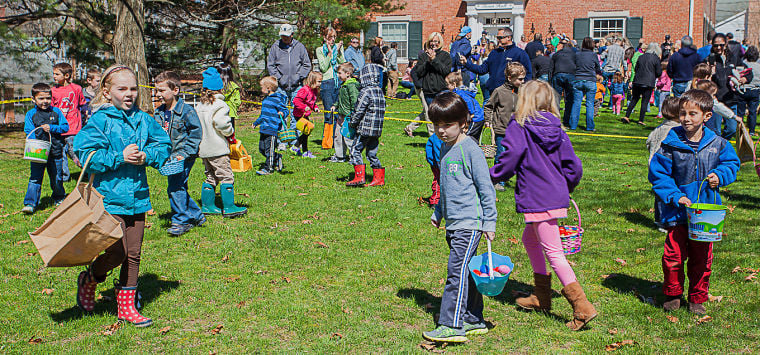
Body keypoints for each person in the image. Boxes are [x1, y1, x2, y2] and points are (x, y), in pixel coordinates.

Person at [490, 80, 596, 331]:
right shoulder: (557, 127)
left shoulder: (519, 125)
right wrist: (564, 186)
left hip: (538, 197)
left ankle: (582, 307)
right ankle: (541, 296)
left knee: (554, 253)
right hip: (553, 195)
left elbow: (511, 156)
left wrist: (493, 175)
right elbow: (574, 166)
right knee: (530, 239)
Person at [73, 64, 171, 327]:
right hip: (108, 198)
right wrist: (119, 157)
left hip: (138, 197)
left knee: (134, 253)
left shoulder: (143, 119)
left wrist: (146, 156)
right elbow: (84, 155)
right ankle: (91, 277)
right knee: (117, 252)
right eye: (122, 88)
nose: (129, 93)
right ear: (106, 92)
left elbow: (163, 144)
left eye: (133, 88)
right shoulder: (99, 121)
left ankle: (126, 307)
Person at [648, 89, 740, 315]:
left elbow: (732, 163)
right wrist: (675, 195)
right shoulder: (670, 144)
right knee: (673, 257)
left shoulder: (718, 144)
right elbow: (658, 175)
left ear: (707, 116)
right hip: (676, 211)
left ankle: (697, 297)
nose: (686, 118)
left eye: (692, 114)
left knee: (701, 258)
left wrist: (721, 175)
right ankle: (672, 294)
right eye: (682, 113)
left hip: (705, 213)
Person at [423, 92, 497, 343]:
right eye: (437, 125)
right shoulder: (445, 148)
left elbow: (486, 188)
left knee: (456, 273)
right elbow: (446, 186)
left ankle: (451, 324)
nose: (441, 131)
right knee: (466, 271)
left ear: (463, 123)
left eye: (448, 125)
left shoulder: (470, 149)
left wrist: (489, 222)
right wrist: (438, 212)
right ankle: (474, 319)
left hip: (470, 223)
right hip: (453, 223)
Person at [153, 71, 205, 236]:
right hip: (169, 158)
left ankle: (181, 221)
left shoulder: (186, 111)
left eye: (161, 90)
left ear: (175, 90)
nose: (157, 94)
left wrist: (186, 153)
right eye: (156, 90)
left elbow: (196, 133)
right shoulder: (159, 113)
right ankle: (197, 215)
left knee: (175, 187)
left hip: (184, 157)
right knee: (178, 186)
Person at [196, 67, 247, 218]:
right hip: (217, 148)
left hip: (204, 148)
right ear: (220, 87)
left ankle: (207, 205)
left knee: (210, 176)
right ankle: (229, 207)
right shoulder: (220, 105)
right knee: (226, 176)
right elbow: (222, 123)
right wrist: (230, 133)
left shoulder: (200, 105)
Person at [21, 83, 68, 214]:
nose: (45, 101)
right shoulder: (31, 114)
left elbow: (65, 127)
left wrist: (52, 128)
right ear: (33, 99)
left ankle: (59, 197)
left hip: (55, 151)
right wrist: (36, 135)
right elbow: (28, 130)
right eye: (41, 98)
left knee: (57, 177)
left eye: (48, 98)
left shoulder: (56, 112)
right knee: (35, 177)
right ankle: (30, 203)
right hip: (38, 152)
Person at [267, 23, 312, 146]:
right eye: (282, 36)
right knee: (281, 113)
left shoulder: (300, 47)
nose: (284, 38)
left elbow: (307, 64)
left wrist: (299, 76)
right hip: (281, 87)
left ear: (292, 35)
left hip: (297, 86)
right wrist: (279, 78)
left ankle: (294, 140)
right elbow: (271, 65)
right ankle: (282, 141)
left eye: (286, 36)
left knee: (295, 113)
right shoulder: (275, 47)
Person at [484, 62, 525, 191]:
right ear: (509, 78)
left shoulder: (523, 92)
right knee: (501, 155)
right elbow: (489, 106)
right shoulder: (499, 92)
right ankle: (498, 181)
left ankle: (521, 180)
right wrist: (488, 120)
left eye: (523, 79)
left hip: (518, 130)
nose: (522, 82)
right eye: (519, 79)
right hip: (502, 129)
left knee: (518, 155)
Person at [345, 63, 387, 187]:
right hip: (376, 129)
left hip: (365, 128)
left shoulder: (365, 91)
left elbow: (359, 110)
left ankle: (359, 177)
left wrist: (352, 123)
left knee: (355, 150)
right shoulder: (379, 91)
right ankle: (379, 178)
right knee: (372, 153)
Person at [462, 27, 533, 97]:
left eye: (500, 37)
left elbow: (528, 74)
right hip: (493, 92)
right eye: (497, 37)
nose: (498, 40)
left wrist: (521, 89)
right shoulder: (494, 53)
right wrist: (467, 63)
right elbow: (482, 69)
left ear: (509, 37)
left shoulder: (520, 53)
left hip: (510, 93)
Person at [405, 32, 451, 137]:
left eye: (436, 41)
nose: (433, 44)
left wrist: (434, 60)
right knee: (432, 115)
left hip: (442, 90)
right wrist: (428, 61)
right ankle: (434, 138)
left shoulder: (445, 56)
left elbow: (445, 71)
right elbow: (419, 72)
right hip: (428, 92)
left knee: (443, 115)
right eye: (431, 41)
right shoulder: (423, 56)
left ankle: (445, 135)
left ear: (440, 42)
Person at [708, 33, 747, 139]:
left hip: (731, 98)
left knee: (732, 129)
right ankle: (717, 149)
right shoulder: (710, 59)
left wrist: (744, 78)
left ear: (725, 44)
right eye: (715, 45)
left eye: (721, 44)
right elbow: (703, 80)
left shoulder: (733, 58)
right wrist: (710, 72)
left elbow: (746, 71)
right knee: (714, 130)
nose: (718, 47)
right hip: (716, 99)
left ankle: (721, 143)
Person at [51, 62, 86, 182]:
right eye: (53, 74)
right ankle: (64, 177)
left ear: (66, 76)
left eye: (57, 74)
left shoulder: (76, 89)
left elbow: (82, 105)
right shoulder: (52, 91)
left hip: (73, 128)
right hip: (59, 129)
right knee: (60, 154)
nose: (54, 76)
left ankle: (87, 169)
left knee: (74, 152)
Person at [253, 76, 288, 175]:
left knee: (269, 150)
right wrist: (256, 123)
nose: (261, 89)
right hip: (263, 128)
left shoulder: (277, 99)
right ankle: (277, 157)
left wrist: (282, 113)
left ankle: (269, 169)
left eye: (262, 87)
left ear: (268, 88)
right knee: (262, 149)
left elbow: (285, 110)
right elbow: (263, 115)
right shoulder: (265, 100)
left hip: (272, 129)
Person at [316, 27, 345, 141]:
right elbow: (323, 67)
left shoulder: (338, 48)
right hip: (327, 83)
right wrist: (330, 53)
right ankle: (328, 139)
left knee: (338, 111)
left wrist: (338, 52)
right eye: (330, 37)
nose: (332, 40)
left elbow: (343, 63)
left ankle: (337, 138)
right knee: (329, 112)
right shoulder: (320, 50)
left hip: (338, 81)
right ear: (324, 38)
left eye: (334, 37)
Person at [623, 43, 662, 125]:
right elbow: (659, 72)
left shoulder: (641, 56)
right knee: (645, 101)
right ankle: (641, 120)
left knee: (634, 99)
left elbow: (636, 68)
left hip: (637, 81)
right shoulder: (656, 58)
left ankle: (627, 116)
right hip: (648, 82)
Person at [570, 37, 601, 131]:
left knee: (576, 103)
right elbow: (598, 68)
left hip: (578, 79)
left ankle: (573, 125)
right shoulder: (593, 55)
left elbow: (573, 66)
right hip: (590, 80)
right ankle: (590, 126)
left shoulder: (577, 54)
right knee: (590, 104)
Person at [331, 63, 360, 162]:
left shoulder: (352, 85)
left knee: (348, 137)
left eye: (340, 73)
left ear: (348, 73)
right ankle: (340, 156)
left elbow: (354, 101)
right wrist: (335, 105)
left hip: (348, 117)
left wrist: (352, 115)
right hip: (340, 115)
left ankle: (353, 157)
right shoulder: (343, 85)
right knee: (337, 136)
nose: (338, 75)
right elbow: (340, 99)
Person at [446, 72, 484, 141]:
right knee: (472, 138)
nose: (446, 86)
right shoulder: (457, 93)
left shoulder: (461, 94)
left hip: (476, 119)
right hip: (471, 118)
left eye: (447, 84)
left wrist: (467, 119)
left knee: (466, 137)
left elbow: (471, 109)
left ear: (454, 84)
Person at [292, 71, 322, 158]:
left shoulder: (314, 90)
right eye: (318, 81)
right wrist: (304, 107)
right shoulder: (304, 90)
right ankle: (299, 148)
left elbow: (311, 102)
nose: (320, 84)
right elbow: (296, 101)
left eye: (321, 81)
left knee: (307, 132)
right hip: (299, 114)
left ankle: (300, 149)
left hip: (305, 114)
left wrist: (315, 107)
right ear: (312, 81)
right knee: (307, 131)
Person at [646, 97, 682, 162]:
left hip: (653, 164)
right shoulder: (678, 130)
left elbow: (648, 142)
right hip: (666, 166)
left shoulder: (657, 129)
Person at [552, 37, 576, 125]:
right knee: (569, 98)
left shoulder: (557, 54)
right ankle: (566, 120)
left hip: (558, 74)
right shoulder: (574, 54)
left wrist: (551, 79)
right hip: (570, 75)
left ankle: (556, 119)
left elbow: (551, 67)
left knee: (556, 98)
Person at [737, 46, 760, 135]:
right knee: (753, 112)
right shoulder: (759, 66)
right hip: (755, 90)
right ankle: (752, 131)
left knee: (741, 112)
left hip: (743, 90)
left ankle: (740, 130)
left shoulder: (743, 65)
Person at [600, 38, 628, 106]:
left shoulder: (608, 48)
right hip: (615, 70)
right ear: (620, 42)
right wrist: (625, 71)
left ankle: (600, 103)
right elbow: (624, 62)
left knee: (603, 86)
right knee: (613, 88)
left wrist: (606, 54)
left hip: (606, 69)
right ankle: (611, 105)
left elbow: (602, 57)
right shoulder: (622, 50)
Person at [216, 62, 241, 128]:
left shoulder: (216, 87)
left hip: (218, 111)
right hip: (230, 113)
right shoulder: (234, 86)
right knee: (230, 134)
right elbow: (238, 101)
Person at [424, 133, 443, 207]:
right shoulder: (437, 136)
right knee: (438, 180)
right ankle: (435, 201)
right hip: (437, 162)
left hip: (447, 161)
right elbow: (436, 152)